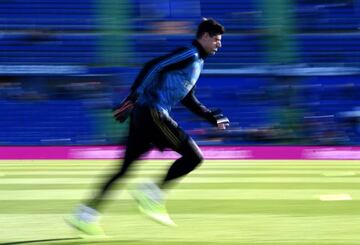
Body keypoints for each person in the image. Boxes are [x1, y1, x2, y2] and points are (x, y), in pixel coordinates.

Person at [66, 18, 229, 236]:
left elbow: (188, 97)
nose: (219, 44)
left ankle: (85, 215)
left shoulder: (197, 62)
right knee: (194, 157)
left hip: (144, 114)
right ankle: (151, 195)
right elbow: (154, 66)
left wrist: (210, 117)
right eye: (217, 39)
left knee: (124, 170)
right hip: (153, 111)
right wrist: (133, 97)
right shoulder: (189, 54)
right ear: (205, 37)